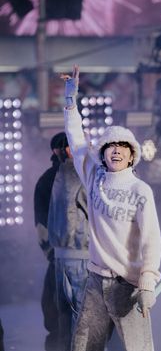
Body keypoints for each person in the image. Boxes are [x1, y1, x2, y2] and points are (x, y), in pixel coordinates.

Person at [62, 65, 161, 351]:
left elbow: (152, 241)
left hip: (127, 286)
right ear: (103, 153)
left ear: (132, 156)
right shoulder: (94, 177)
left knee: (137, 348)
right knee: (83, 347)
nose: (116, 150)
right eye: (111, 146)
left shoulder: (140, 191)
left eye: (123, 146)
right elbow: (76, 139)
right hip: (95, 281)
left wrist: (146, 282)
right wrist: (71, 99)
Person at [48, 139, 90, 351]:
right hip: (79, 252)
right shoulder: (79, 173)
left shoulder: (60, 172)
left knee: (65, 315)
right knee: (81, 317)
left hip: (61, 254)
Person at [34, 132, 69, 351]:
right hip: (60, 256)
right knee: (55, 314)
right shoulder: (48, 181)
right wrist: (51, 253)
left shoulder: (87, 175)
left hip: (86, 257)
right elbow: (41, 223)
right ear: (56, 151)